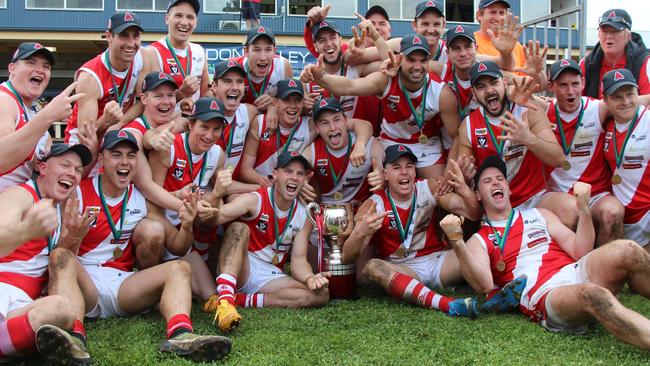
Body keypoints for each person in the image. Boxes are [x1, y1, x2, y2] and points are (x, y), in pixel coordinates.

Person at [51, 130, 232, 362]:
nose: (124, 162)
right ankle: (74, 338)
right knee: (59, 255)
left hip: (123, 285)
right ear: (102, 159)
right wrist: (74, 237)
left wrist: (187, 226)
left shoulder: (141, 198)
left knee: (179, 268)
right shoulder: (78, 192)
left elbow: (177, 247)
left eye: (131, 155)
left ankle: (181, 334)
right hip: (85, 284)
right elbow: (60, 252)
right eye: (116, 154)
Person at [439, 156, 650, 351]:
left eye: (500, 178)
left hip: (575, 270)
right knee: (595, 294)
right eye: (487, 181)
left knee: (628, 249)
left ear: (508, 189)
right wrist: (457, 242)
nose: (496, 183)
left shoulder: (539, 214)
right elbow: (483, 285)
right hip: (545, 293)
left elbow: (580, 251)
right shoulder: (480, 239)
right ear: (477, 195)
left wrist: (584, 209)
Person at [341, 144, 480, 317]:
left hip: (440, 264)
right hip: (404, 270)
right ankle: (446, 304)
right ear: (385, 174)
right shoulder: (373, 205)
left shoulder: (429, 188)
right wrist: (361, 232)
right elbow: (347, 257)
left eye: (409, 166)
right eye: (396, 167)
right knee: (372, 267)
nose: (404, 172)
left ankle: (499, 294)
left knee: (479, 243)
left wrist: (464, 190)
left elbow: (473, 213)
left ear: (415, 171)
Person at [302, 33, 461, 178]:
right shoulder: (385, 79)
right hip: (390, 141)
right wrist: (321, 77)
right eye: (411, 59)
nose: (417, 66)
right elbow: (348, 86)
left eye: (423, 60)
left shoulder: (442, 93)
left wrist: (449, 173)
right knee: (380, 183)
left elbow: (456, 136)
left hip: (426, 144)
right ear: (399, 58)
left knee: (440, 192)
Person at [455, 61, 579, 228]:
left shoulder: (527, 110)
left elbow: (559, 159)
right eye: (481, 87)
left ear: (504, 84)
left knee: (572, 209)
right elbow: (464, 175)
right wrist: (466, 175)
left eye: (494, 83)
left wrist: (528, 139)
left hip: (534, 198)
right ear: (474, 93)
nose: (490, 90)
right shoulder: (468, 126)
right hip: (496, 205)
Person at [0, 143, 93, 364]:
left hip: (23, 302)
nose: (72, 173)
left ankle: (8, 345)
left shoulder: (59, 208)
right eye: (64, 165)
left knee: (60, 309)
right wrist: (25, 231)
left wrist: (74, 237)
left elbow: (58, 261)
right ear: (42, 168)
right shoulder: (20, 194)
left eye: (78, 170)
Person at [204, 151, 330, 309]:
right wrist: (216, 194)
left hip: (269, 274)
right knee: (238, 228)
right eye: (288, 171)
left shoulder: (304, 213)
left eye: (300, 173)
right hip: (242, 266)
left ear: (304, 179)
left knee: (321, 294)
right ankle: (226, 301)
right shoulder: (255, 199)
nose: (294, 177)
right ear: (275, 175)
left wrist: (310, 278)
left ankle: (239, 300)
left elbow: (298, 260)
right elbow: (215, 219)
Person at [544, 59, 625, 245]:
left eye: (574, 84)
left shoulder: (597, 108)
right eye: (563, 85)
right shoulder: (543, 110)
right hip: (560, 194)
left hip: (596, 193)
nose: (570, 91)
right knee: (572, 213)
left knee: (613, 213)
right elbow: (512, 93)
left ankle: (609, 269)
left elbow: (633, 101)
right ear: (551, 87)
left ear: (583, 83)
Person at [239, 79, 372, 187]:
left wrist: (360, 145)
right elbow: (245, 170)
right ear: (275, 102)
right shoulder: (260, 123)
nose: (293, 106)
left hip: (290, 189)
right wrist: (263, 181)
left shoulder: (311, 125)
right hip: (263, 187)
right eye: (287, 100)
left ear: (304, 102)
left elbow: (363, 124)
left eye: (297, 100)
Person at [0, 43, 84, 191]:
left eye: (46, 66)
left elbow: (48, 165)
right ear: (12, 69)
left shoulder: (34, 113)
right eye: (31, 63)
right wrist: (48, 115)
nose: (39, 70)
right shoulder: (4, 99)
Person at [65, 11, 149, 145]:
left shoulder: (142, 57)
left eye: (136, 36)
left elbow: (143, 102)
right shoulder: (90, 76)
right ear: (109, 36)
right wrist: (105, 121)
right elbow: (85, 133)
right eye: (124, 36)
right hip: (83, 143)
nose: (131, 43)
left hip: (115, 134)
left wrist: (119, 123)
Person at [601, 69, 650, 247]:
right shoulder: (605, 125)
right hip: (623, 218)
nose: (626, 102)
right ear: (605, 100)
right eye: (617, 97)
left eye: (630, 94)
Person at [149, 0, 210, 110]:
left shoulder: (199, 51)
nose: (184, 22)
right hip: (165, 125)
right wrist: (182, 92)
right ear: (167, 18)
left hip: (194, 124)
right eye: (178, 15)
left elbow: (205, 92)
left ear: (196, 22)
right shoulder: (152, 52)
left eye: (190, 17)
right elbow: (152, 103)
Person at [581, 9, 650, 99]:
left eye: (615, 31)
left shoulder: (644, 62)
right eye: (604, 31)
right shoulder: (587, 63)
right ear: (598, 34)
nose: (609, 36)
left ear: (628, 36)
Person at [209, 60, 260, 181]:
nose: (235, 87)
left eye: (239, 82)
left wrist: (273, 108)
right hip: (206, 189)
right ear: (214, 87)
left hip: (233, 185)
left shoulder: (249, 111)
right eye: (227, 82)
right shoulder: (202, 115)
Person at [233, 26, 292, 111]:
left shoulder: (283, 66)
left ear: (274, 51)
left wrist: (274, 104)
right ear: (246, 51)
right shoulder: (233, 67)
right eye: (257, 50)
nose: (263, 57)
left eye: (268, 50)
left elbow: (290, 102)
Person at [473, 0, 526, 73]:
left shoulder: (516, 46)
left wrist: (538, 73)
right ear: (479, 15)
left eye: (501, 13)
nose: (498, 18)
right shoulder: (469, 42)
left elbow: (529, 81)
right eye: (493, 12)